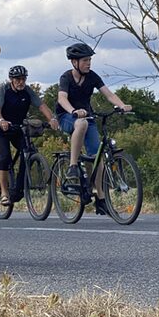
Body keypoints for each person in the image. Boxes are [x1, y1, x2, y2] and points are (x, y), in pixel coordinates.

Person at [55, 43, 132, 214]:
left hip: (87, 117)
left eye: (89, 60)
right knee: (80, 124)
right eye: (85, 60)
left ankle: (101, 199)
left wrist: (122, 105)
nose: (89, 63)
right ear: (74, 62)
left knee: (98, 158)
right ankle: (73, 166)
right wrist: (73, 111)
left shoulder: (92, 77)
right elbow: (62, 98)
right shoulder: (66, 78)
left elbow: (109, 94)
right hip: (67, 117)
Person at [0, 65, 59, 206]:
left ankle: (19, 187)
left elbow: (41, 105)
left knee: (28, 152)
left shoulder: (27, 91)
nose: (21, 82)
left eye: (23, 79)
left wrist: (51, 119)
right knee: (5, 158)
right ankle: (4, 193)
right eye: (18, 79)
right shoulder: (3, 90)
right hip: (2, 129)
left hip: (18, 128)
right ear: (11, 80)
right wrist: (1, 120)